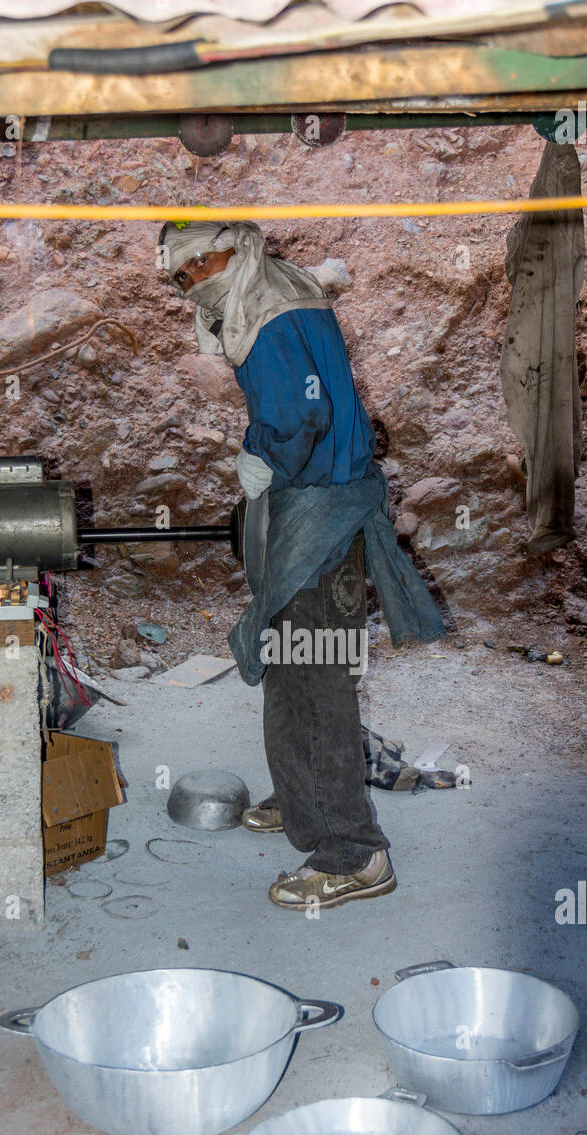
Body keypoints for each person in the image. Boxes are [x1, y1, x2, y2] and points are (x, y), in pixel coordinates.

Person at [158, 219, 445, 911]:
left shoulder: (265, 311)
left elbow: (296, 417)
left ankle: (352, 852)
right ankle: (302, 800)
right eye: (182, 273)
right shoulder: (277, 286)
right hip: (311, 500)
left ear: (237, 247)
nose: (197, 278)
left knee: (314, 679)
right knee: (291, 666)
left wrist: (266, 456)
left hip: (319, 508)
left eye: (204, 260)